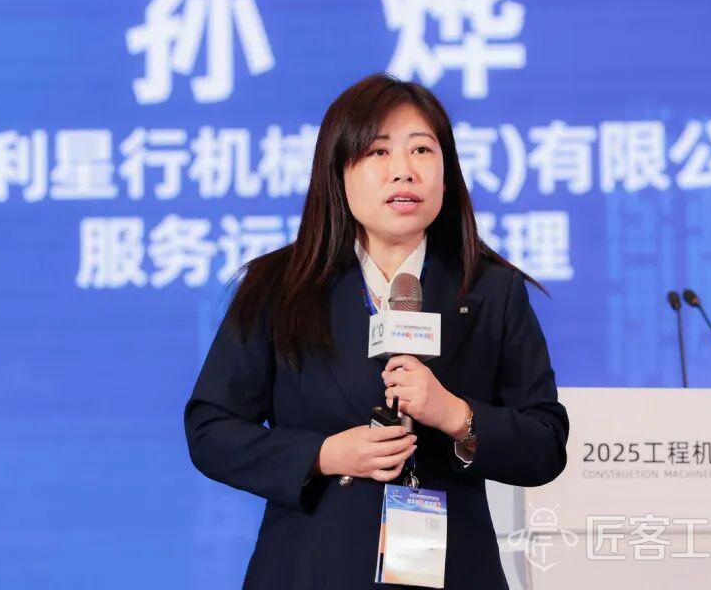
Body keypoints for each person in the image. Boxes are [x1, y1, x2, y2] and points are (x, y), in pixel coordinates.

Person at [184, 73, 569, 589]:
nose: (403, 171)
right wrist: (323, 455)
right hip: (312, 569)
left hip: (452, 570)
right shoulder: (278, 287)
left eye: (422, 150)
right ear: (338, 172)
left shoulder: (491, 290)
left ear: (447, 174)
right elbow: (212, 430)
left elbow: (545, 444)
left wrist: (456, 415)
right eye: (378, 152)